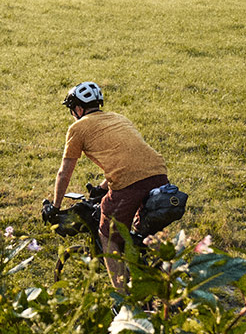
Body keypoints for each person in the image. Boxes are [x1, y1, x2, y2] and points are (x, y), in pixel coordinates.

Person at [45, 82, 169, 294]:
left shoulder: (78, 127)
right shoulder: (118, 118)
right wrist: (102, 188)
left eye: (72, 109)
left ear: (79, 109)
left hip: (130, 184)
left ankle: (123, 301)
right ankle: (155, 280)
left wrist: (54, 207)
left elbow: (64, 173)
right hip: (159, 176)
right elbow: (130, 157)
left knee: (107, 235)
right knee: (139, 235)